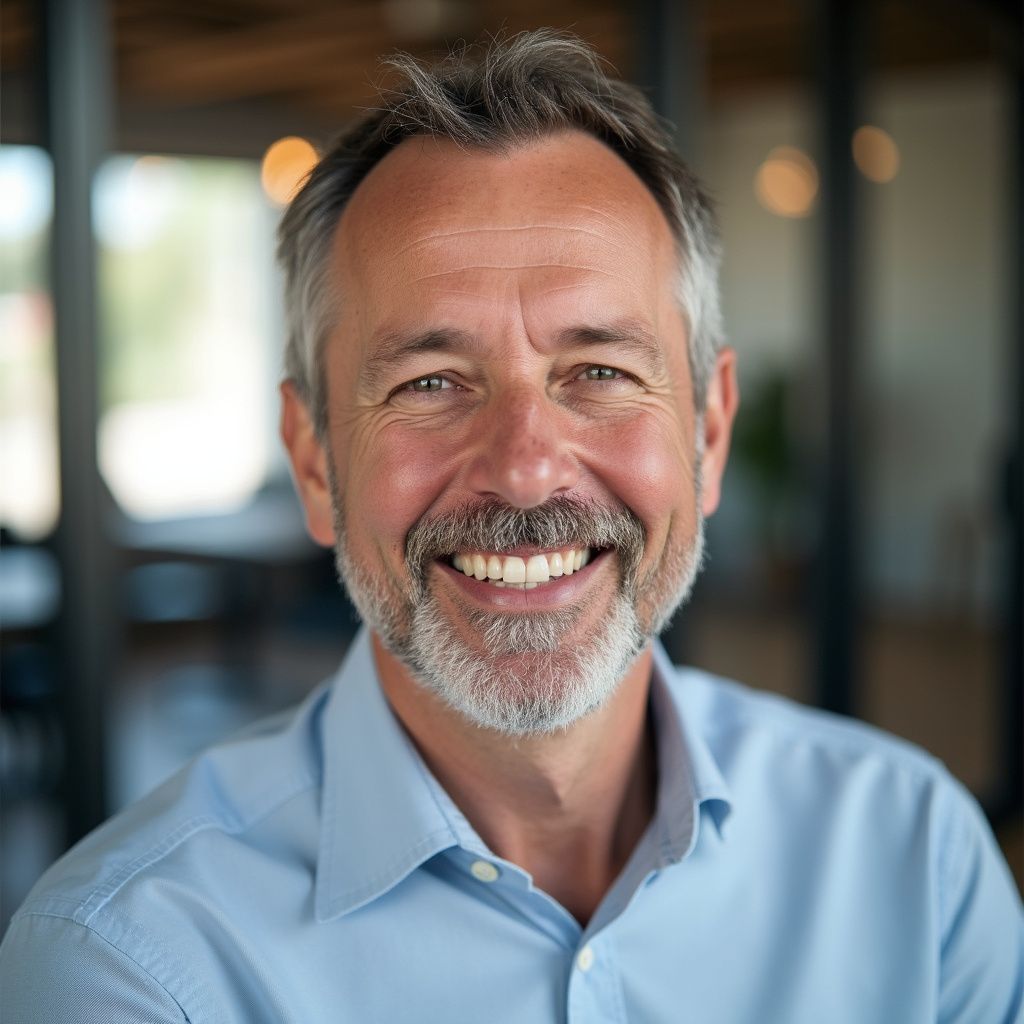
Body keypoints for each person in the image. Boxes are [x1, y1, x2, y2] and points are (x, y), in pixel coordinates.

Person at [2, 30, 1021, 1023]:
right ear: (314, 458)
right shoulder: (130, 966)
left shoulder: (914, 857)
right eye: (431, 381)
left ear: (707, 431)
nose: (526, 467)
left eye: (599, 373)